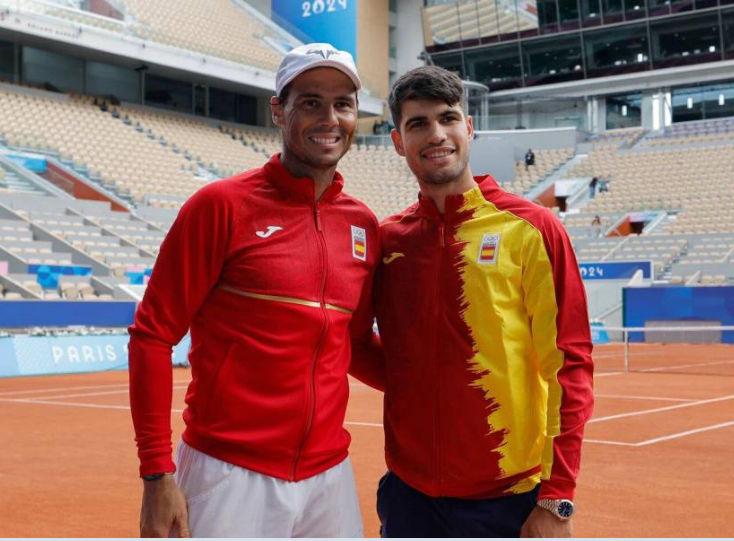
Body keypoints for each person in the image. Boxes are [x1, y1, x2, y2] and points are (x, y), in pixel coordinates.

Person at [128, 43, 380, 538]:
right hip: (228, 473)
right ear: (277, 110)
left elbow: (352, 345)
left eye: (342, 104)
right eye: (310, 102)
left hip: (329, 477)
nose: (329, 117)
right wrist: (157, 472)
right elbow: (152, 335)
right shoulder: (219, 206)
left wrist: (444, 384)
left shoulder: (364, 225)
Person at [350, 66, 594, 537]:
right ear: (398, 141)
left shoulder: (531, 228)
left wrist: (557, 497)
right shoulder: (388, 240)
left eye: (448, 118)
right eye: (418, 123)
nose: (436, 134)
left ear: (470, 128)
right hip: (408, 497)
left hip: (509, 501)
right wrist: (416, 385)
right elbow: (356, 343)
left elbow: (570, 365)